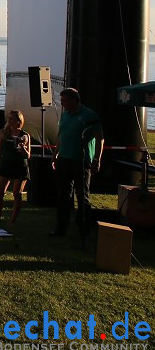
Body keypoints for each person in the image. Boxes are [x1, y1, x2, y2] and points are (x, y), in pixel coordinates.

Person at [51, 88, 103, 241]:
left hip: (81, 161)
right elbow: (61, 136)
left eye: (65, 101)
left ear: (75, 100)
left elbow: (100, 138)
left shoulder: (90, 116)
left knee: (82, 196)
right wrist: (55, 154)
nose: (63, 104)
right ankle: (61, 228)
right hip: (64, 160)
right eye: (62, 101)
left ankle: (84, 229)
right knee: (63, 196)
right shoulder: (65, 115)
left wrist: (97, 159)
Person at [0, 110, 31, 224]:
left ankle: (13, 220)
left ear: (18, 121)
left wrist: (22, 147)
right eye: (8, 119)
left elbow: (27, 155)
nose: (9, 121)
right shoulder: (3, 133)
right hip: (6, 165)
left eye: (12, 119)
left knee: (17, 193)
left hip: (20, 166)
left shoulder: (24, 135)